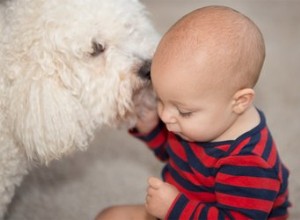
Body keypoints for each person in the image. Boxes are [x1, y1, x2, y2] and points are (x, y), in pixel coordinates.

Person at [96, 5, 290, 220]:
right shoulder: (205, 121)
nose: (166, 116)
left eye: (184, 111)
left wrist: (174, 208)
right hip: (185, 206)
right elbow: (179, 157)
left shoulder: (250, 164)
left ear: (240, 102)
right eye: (160, 100)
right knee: (109, 216)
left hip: (192, 213)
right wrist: (151, 128)